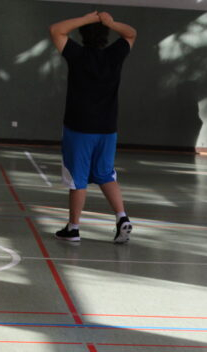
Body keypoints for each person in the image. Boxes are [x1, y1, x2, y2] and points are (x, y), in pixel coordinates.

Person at [49, 11, 135, 244]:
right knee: (105, 174)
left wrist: (88, 18)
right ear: (106, 34)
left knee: (78, 179)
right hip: (107, 128)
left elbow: (56, 29)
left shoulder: (77, 54)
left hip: (79, 128)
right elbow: (131, 33)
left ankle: (74, 228)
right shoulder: (115, 54)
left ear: (83, 34)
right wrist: (111, 22)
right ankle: (121, 217)